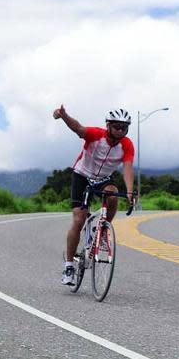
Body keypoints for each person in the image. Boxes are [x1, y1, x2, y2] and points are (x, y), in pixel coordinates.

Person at [53, 105, 135, 285]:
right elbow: (78, 128)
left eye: (124, 128)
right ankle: (68, 266)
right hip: (82, 175)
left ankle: (103, 228)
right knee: (79, 218)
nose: (121, 131)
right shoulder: (95, 135)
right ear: (108, 125)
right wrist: (64, 115)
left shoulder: (127, 145)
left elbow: (127, 168)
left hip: (104, 178)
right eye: (116, 127)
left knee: (113, 195)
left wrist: (129, 192)